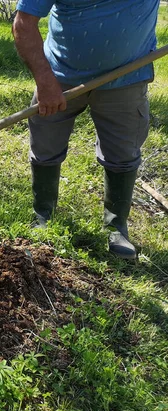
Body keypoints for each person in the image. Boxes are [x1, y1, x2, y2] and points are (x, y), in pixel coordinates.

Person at [12, 0, 160, 260]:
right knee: (45, 144)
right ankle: (42, 215)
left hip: (127, 79)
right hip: (60, 76)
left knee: (123, 152)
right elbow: (24, 24)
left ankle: (116, 227)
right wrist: (46, 82)